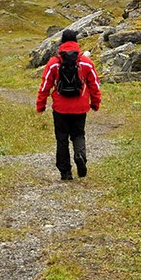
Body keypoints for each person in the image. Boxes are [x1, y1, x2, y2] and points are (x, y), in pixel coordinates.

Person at [36, 29, 102, 180]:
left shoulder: (54, 63)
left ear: (62, 43)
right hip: (80, 108)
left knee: (62, 138)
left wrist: (41, 105)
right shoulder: (86, 62)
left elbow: (45, 85)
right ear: (76, 43)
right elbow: (95, 85)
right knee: (78, 135)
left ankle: (65, 172)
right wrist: (95, 103)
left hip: (60, 109)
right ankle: (80, 155)